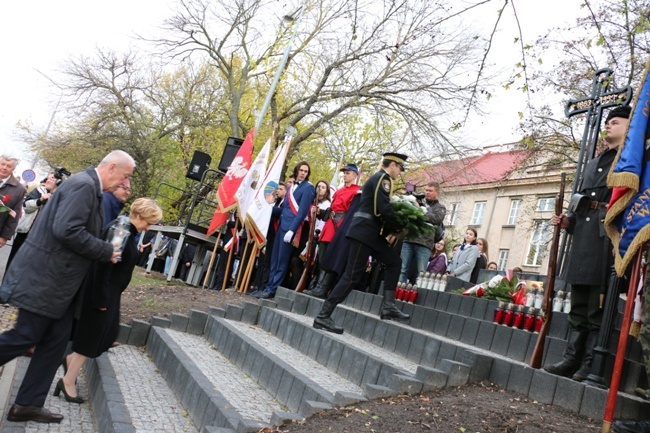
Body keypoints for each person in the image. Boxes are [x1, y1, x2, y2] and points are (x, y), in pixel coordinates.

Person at [0, 150, 134, 424]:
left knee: (55, 342)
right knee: (25, 336)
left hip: (58, 287)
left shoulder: (90, 188)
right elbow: (67, 230)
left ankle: (27, 404)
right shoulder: (84, 186)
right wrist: (105, 250)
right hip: (45, 280)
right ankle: (27, 403)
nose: (126, 184)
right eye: (126, 176)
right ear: (111, 168)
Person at [544, 105, 631, 382]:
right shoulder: (594, 163)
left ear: (629, 126)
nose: (608, 126)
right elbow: (580, 198)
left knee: (597, 303)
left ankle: (591, 363)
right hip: (583, 233)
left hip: (606, 235)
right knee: (579, 299)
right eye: (607, 122)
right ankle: (572, 357)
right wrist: (567, 221)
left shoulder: (629, 160)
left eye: (615, 122)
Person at [57, 198, 162, 403]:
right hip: (103, 292)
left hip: (109, 292)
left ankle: (69, 363)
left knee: (104, 334)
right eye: (148, 222)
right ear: (139, 216)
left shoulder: (124, 229)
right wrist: (100, 298)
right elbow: (104, 265)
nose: (148, 227)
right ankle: (68, 381)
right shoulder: (121, 231)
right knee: (91, 337)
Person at [313, 152, 410, 334]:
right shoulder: (383, 179)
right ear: (393, 165)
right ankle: (323, 316)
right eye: (400, 168)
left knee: (393, 262)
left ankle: (388, 305)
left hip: (369, 233)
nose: (400, 172)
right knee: (351, 276)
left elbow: (379, 209)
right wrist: (398, 226)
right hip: (364, 232)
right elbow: (382, 207)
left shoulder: (380, 179)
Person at [253, 162, 315, 299]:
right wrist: (267, 208)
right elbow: (284, 208)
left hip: (290, 229)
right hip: (281, 226)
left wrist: (292, 230)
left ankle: (273, 289)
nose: (303, 173)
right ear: (297, 170)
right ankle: (268, 287)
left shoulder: (309, 188)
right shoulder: (291, 187)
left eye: (305, 171)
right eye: (301, 170)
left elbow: (302, 212)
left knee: (282, 261)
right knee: (274, 259)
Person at [304, 164, 360, 298]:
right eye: (344, 173)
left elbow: (350, 212)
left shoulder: (357, 191)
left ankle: (323, 288)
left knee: (331, 257)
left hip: (341, 225)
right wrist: (320, 212)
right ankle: (317, 285)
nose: (345, 175)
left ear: (354, 175)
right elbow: (332, 210)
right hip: (329, 224)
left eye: (348, 173)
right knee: (322, 256)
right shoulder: (339, 191)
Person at [7, 170, 59, 269]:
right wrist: (40, 200)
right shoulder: (38, 191)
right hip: (26, 233)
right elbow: (26, 206)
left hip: (43, 239)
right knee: (13, 263)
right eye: (47, 178)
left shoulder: (61, 197)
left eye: (52, 179)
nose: (48, 180)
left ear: (59, 182)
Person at [399, 181, 446, 283]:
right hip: (410, 238)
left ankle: (417, 295)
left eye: (430, 191)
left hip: (425, 242)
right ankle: (398, 292)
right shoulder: (419, 201)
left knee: (421, 272)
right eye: (426, 190)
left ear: (437, 192)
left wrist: (419, 208)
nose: (427, 192)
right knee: (402, 269)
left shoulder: (440, 208)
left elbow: (436, 219)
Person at [0, 155, 26, 252]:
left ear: (13, 169)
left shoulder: (19, 189)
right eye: (2, 164)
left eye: (8, 166)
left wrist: (4, 236)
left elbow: (14, 216)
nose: (4, 168)